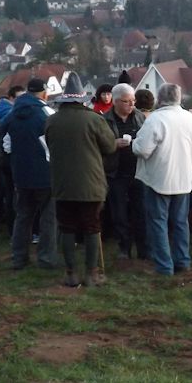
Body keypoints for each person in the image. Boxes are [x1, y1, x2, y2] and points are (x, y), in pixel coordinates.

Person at [46, 72, 117, 287]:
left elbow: (50, 145)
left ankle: (70, 273)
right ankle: (92, 273)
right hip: (91, 183)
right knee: (91, 227)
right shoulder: (94, 119)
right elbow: (110, 146)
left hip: (63, 183)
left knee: (66, 227)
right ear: (81, 99)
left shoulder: (51, 120)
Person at [132, 83, 192, 275]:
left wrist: (133, 142)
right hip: (183, 177)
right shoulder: (190, 118)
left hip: (159, 178)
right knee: (180, 222)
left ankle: (164, 266)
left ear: (160, 99)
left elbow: (143, 149)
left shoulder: (156, 118)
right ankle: (183, 260)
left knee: (158, 222)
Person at [0, 78, 58, 270]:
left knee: (23, 216)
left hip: (21, 173)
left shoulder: (13, 112)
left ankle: (19, 258)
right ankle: (46, 259)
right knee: (48, 219)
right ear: (44, 93)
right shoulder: (47, 113)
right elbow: (55, 144)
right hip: (45, 174)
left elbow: (5, 142)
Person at [104, 83, 148, 260]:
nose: (132, 105)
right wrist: (113, 144)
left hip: (139, 171)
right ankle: (124, 248)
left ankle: (144, 249)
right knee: (119, 213)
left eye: (133, 100)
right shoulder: (104, 120)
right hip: (116, 173)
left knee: (141, 211)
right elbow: (98, 144)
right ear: (115, 102)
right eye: (127, 101)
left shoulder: (140, 117)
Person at [0, 85, 26, 233]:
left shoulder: (7, 111)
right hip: (9, 156)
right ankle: (13, 226)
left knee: (10, 192)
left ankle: (11, 224)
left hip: (6, 156)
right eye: (19, 97)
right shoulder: (10, 113)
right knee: (13, 193)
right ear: (11, 98)